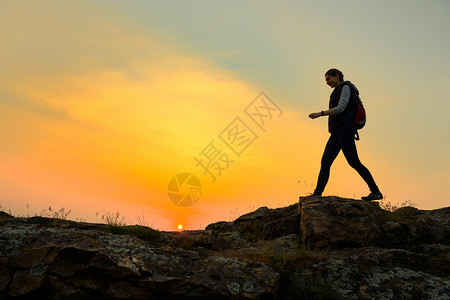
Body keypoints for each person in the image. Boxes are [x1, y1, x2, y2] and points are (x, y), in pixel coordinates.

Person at [308, 68, 383, 201]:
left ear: (337, 76)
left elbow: (341, 108)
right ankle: (317, 194)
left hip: (345, 130)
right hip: (336, 132)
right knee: (325, 162)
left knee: (354, 162)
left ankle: (376, 192)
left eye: (328, 79)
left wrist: (320, 113)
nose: (327, 82)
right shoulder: (336, 91)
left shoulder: (346, 87)